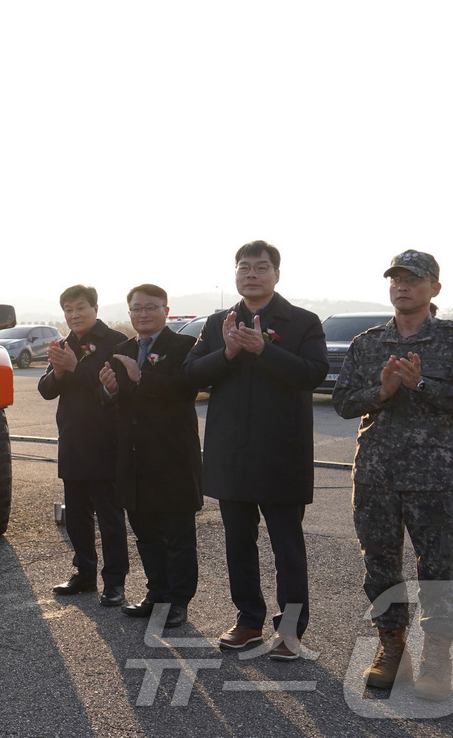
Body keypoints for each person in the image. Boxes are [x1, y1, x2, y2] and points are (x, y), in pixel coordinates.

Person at [333, 250, 453, 700]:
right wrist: (382, 391)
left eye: (413, 279)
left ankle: (437, 655)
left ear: (434, 287)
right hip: (375, 475)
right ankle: (392, 647)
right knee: (379, 566)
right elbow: (343, 403)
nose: (402, 286)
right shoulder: (368, 343)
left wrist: (421, 385)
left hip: (432, 477)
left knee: (436, 567)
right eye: (396, 279)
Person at [185, 241, 327, 661]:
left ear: (276, 275)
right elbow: (190, 374)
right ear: (235, 275)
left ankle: (290, 630)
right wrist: (227, 351)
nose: (251, 274)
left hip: (281, 453)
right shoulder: (216, 324)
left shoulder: (302, 322)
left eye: (261, 267)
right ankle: (248, 620)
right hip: (231, 453)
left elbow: (314, 374)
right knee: (237, 543)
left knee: (287, 546)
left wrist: (265, 350)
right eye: (243, 267)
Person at [98, 285, 201, 628]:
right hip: (133, 457)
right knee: (145, 533)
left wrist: (142, 376)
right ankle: (156, 593)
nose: (143, 314)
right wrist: (110, 390)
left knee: (177, 534)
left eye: (151, 307)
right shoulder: (121, 349)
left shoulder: (185, 346)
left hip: (171, 456)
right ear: (129, 313)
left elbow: (187, 389)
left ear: (166, 310)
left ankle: (178, 600)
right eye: (137, 308)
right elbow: (116, 401)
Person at [38, 285, 129, 606]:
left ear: (95, 308)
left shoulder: (116, 342)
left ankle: (115, 582)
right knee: (76, 516)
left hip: (106, 441)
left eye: (80, 308)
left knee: (110, 516)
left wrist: (76, 367)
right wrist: (60, 371)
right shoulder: (65, 344)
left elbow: (114, 389)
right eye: (68, 310)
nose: (74, 315)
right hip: (73, 440)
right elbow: (46, 390)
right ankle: (84, 574)